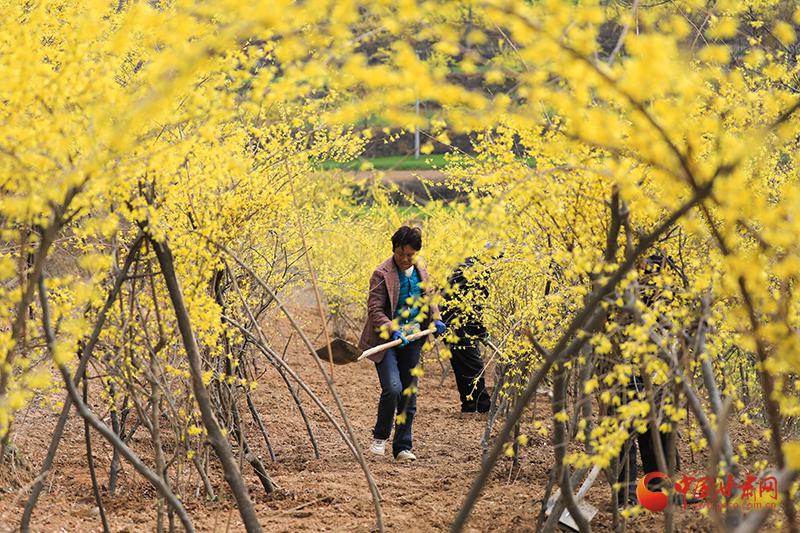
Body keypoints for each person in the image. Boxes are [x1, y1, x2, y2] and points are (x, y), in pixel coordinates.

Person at [359, 226, 446, 461]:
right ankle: (380, 437)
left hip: (413, 340)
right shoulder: (381, 274)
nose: (405, 259)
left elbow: (430, 300)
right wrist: (393, 328)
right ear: (394, 250)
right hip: (387, 342)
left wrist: (436, 319)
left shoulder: (421, 271)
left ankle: (403, 447)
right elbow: (375, 310)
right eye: (401, 253)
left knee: (408, 393)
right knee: (393, 388)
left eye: (410, 254)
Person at [441, 255, 492, 413]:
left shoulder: (467, 266)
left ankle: (469, 405)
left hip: (451, 324)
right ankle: (480, 405)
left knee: (462, 366)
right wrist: (481, 331)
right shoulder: (473, 271)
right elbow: (472, 307)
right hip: (458, 326)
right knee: (473, 366)